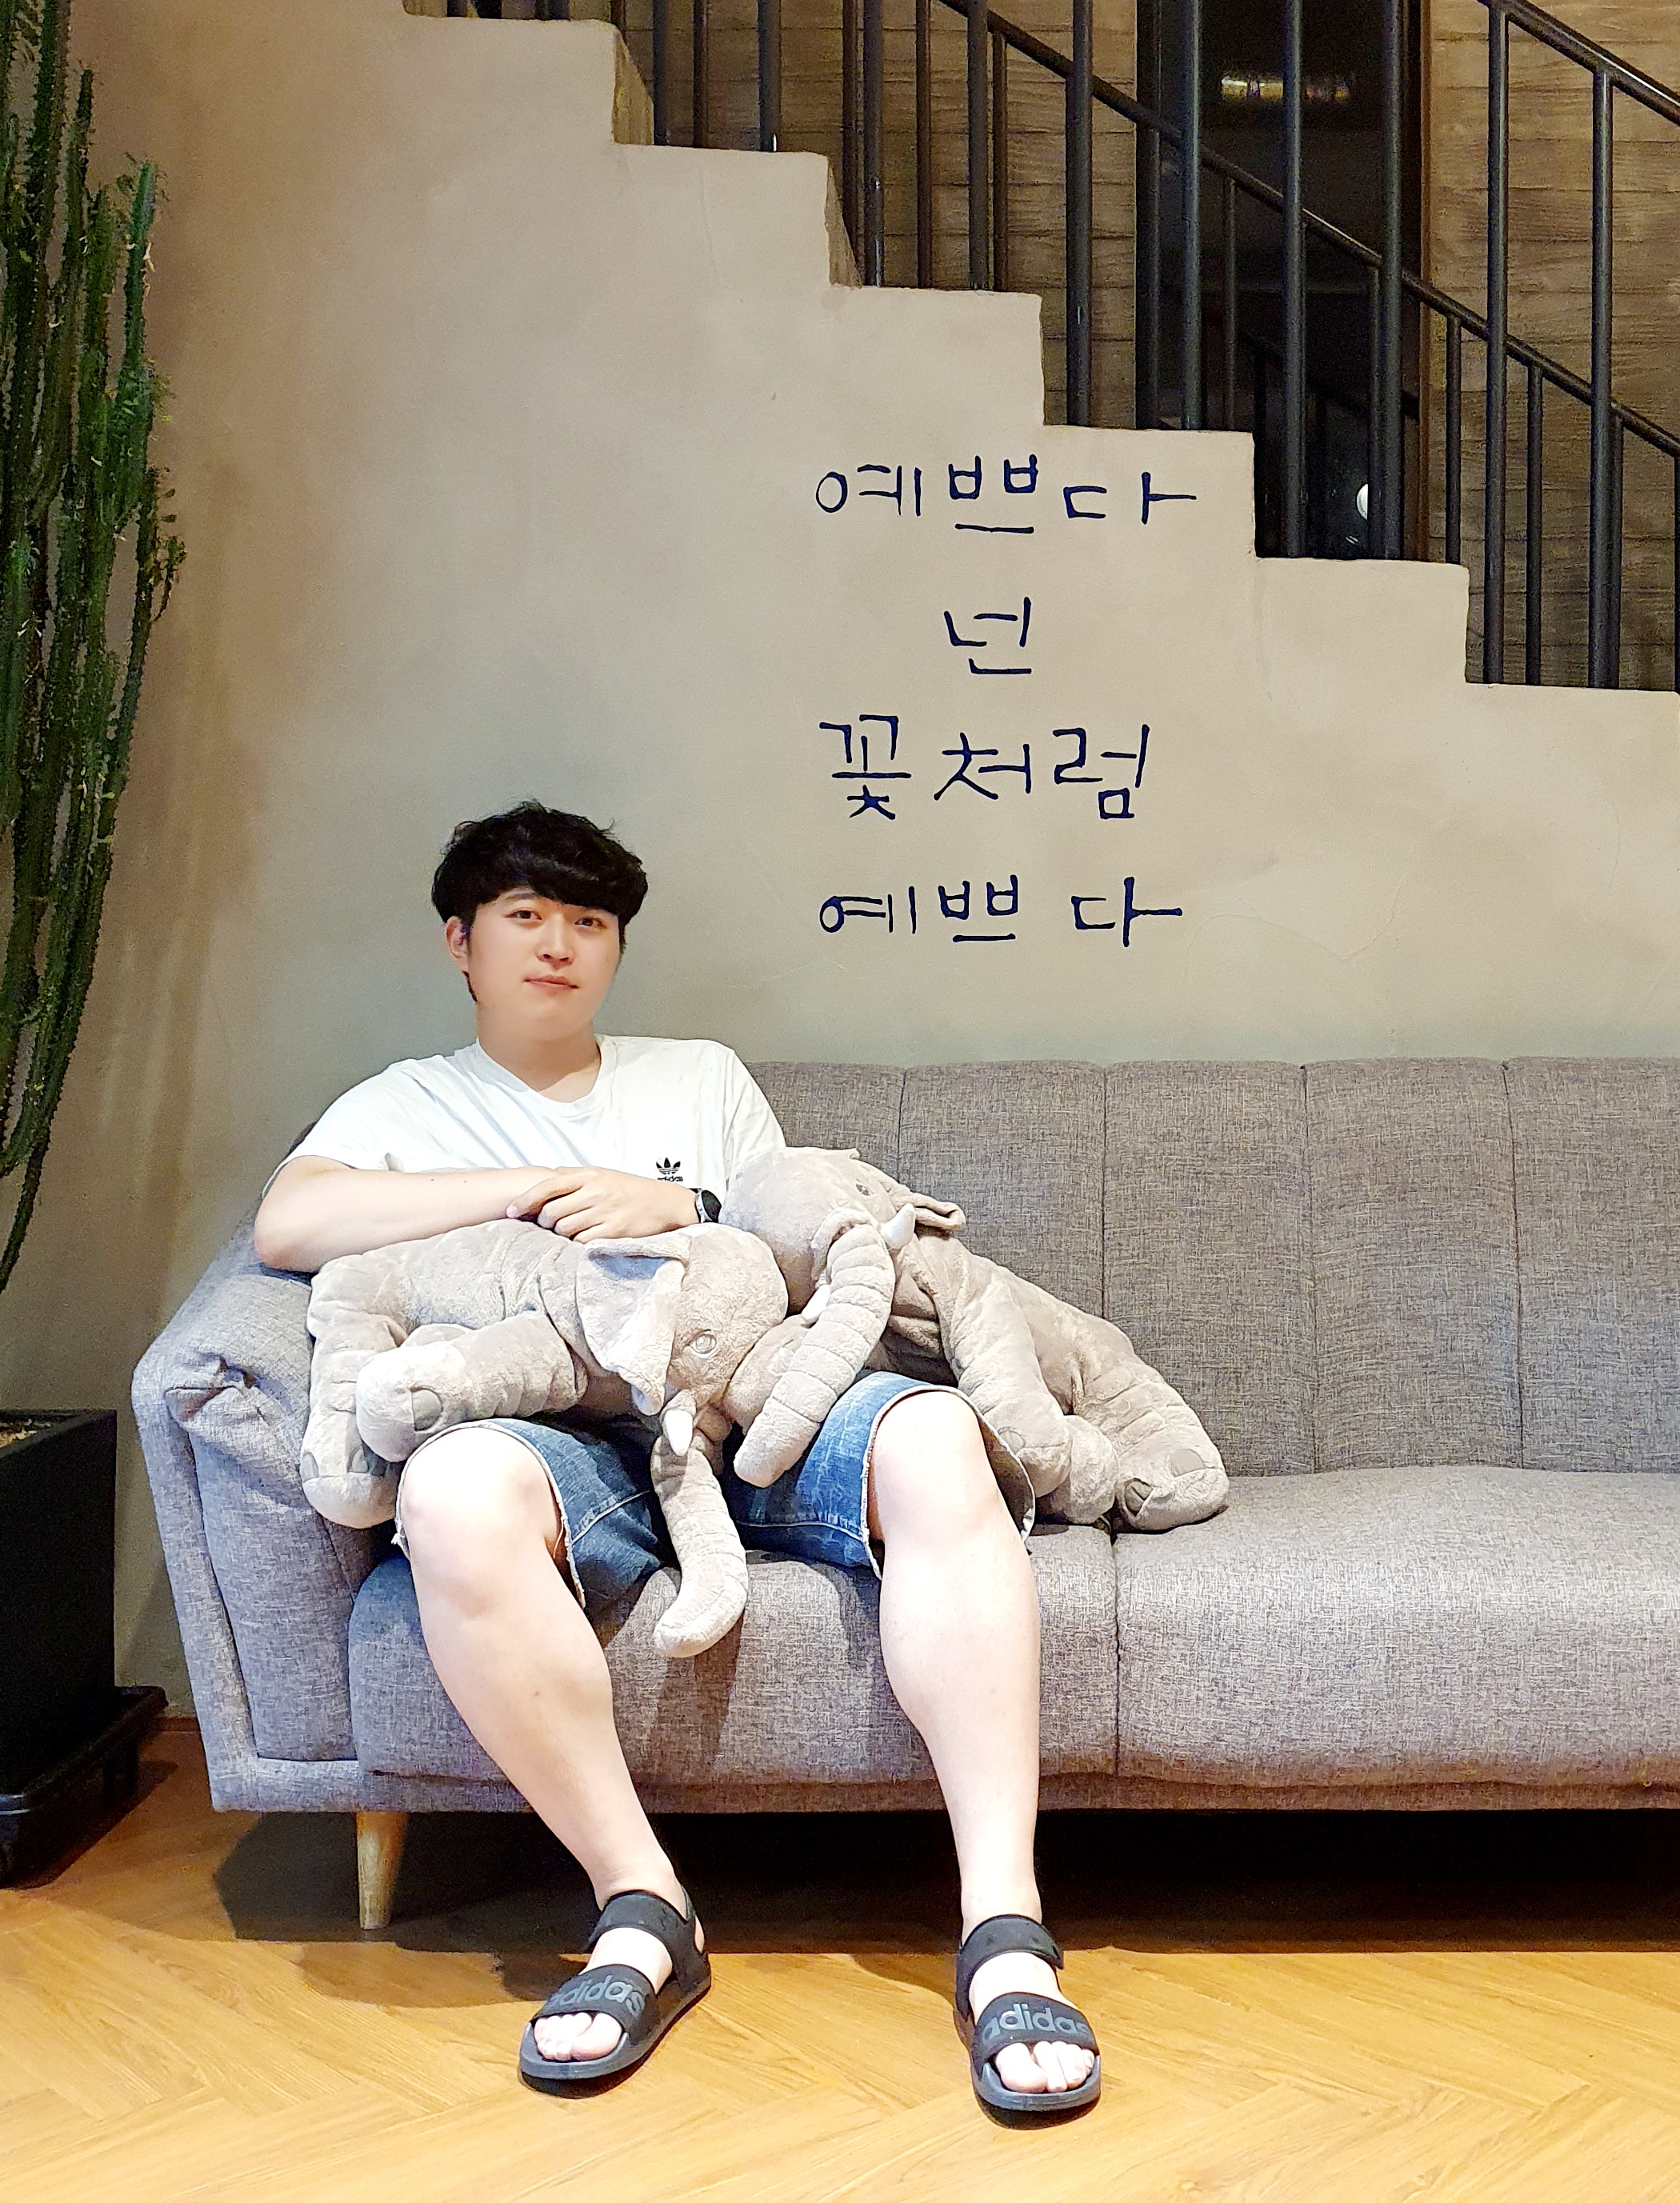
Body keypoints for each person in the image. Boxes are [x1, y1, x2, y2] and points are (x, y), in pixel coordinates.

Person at [254, 802, 1100, 2119]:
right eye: (524, 917)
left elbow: (797, 1237)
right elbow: (289, 1223)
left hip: (752, 1412)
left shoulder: (699, 1077)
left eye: (588, 922)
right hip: (566, 1439)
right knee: (450, 1489)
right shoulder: (404, 1102)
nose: (558, 944)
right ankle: (643, 1905)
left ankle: (1004, 1926)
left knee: (937, 1434)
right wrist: (528, 1187)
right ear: (461, 942)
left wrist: (685, 1204)